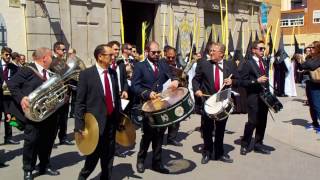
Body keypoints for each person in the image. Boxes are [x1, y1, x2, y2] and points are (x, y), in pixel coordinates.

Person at [8, 47, 60, 180]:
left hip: (50, 113)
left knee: (48, 141)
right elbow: (12, 84)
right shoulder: (27, 70)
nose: (52, 60)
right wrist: (21, 98)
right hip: (33, 115)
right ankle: (28, 169)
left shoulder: (51, 71)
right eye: (51, 57)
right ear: (44, 58)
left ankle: (44, 165)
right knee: (32, 142)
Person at [132, 41, 179, 174]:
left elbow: (172, 75)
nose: (157, 54)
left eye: (158, 52)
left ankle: (157, 163)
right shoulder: (140, 66)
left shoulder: (163, 64)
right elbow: (134, 86)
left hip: (163, 105)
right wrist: (147, 93)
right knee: (147, 135)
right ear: (147, 52)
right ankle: (141, 160)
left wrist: (175, 80)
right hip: (148, 106)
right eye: (154, 52)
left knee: (159, 135)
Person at [75, 44, 121, 180]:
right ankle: (83, 177)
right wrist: (79, 126)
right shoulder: (86, 75)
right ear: (100, 57)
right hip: (95, 124)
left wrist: (120, 118)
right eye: (110, 55)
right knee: (92, 157)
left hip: (111, 122)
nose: (114, 57)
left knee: (108, 157)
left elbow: (115, 98)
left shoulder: (112, 73)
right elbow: (80, 102)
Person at [192, 42, 236, 164]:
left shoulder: (230, 65)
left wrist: (231, 81)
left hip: (223, 101)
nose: (210, 53)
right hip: (208, 101)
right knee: (207, 129)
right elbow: (195, 80)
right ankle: (207, 152)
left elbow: (238, 79)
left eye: (213, 51)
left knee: (221, 129)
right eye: (210, 50)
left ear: (221, 53)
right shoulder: (204, 64)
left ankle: (220, 152)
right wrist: (197, 90)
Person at [239, 40, 271, 155]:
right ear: (253, 50)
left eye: (264, 48)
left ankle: (258, 144)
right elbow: (241, 81)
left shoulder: (264, 62)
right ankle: (244, 144)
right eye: (260, 48)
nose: (263, 51)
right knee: (252, 122)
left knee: (262, 121)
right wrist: (255, 81)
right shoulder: (248, 63)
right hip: (253, 97)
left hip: (265, 97)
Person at [107, 40, 129, 158]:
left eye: (118, 49)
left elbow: (125, 80)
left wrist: (125, 90)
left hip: (122, 98)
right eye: (115, 49)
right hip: (111, 99)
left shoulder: (120, 64)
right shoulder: (106, 64)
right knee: (110, 123)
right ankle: (108, 147)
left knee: (119, 122)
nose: (117, 52)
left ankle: (116, 147)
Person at [52, 41, 74, 145]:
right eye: (63, 49)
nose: (65, 51)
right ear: (56, 50)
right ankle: (51, 138)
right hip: (56, 93)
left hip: (65, 92)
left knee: (64, 117)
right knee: (56, 118)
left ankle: (63, 137)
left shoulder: (63, 61)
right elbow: (62, 74)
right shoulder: (52, 61)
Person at [162, 46, 183, 147]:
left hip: (176, 95)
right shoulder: (161, 63)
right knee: (164, 117)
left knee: (176, 116)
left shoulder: (178, 64)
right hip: (164, 94)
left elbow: (183, 78)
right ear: (165, 54)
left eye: (173, 57)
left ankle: (172, 138)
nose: (170, 59)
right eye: (168, 57)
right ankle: (159, 138)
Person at [298, 41, 320, 133]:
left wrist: (303, 64)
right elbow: (303, 67)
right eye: (310, 47)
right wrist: (304, 68)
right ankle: (315, 123)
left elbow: (310, 65)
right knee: (311, 104)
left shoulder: (318, 58)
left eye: (313, 47)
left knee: (316, 105)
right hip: (310, 83)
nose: (310, 49)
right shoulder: (310, 57)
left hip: (317, 84)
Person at [0, 47, 20, 145]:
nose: (8, 57)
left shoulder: (14, 67)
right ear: (1, 54)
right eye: (6, 55)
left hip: (9, 96)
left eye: (9, 55)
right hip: (0, 96)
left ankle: (9, 137)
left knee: (10, 116)